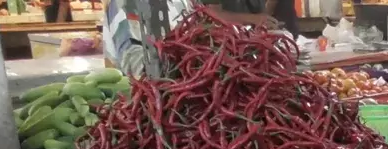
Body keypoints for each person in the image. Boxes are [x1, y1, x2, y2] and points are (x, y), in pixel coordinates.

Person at [103, 0, 289, 77]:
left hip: (191, 102)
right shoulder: (128, 2)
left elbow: (206, 32)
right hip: (158, 109)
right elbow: (137, 64)